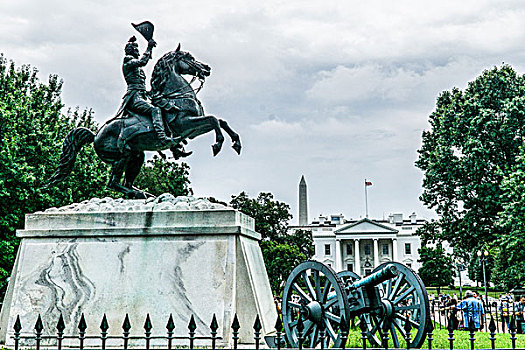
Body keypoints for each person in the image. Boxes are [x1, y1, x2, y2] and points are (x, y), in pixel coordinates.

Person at [115, 36, 177, 150]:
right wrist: (149, 47)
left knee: (162, 107)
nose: (138, 51)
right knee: (155, 110)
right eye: (136, 49)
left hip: (142, 95)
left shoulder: (137, 68)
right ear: (131, 51)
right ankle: (162, 137)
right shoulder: (128, 60)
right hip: (134, 97)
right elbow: (143, 61)